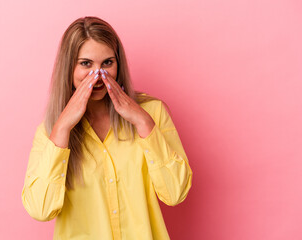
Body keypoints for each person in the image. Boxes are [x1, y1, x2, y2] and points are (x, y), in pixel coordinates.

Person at [21, 16, 193, 240]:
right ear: (69, 68)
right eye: (86, 64)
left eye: (107, 63)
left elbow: (175, 193)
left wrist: (143, 123)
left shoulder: (153, 113)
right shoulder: (50, 132)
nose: (98, 75)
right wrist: (62, 129)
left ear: (118, 64)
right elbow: (40, 210)